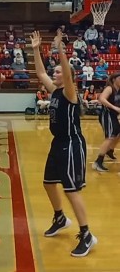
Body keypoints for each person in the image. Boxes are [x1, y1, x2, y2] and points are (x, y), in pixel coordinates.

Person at [31, 30, 97, 257]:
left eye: (58, 71)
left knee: (72, 190)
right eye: (55, 71)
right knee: (49, 183)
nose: (55, 72)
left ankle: (87, 234)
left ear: (66, 75)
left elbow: (67, 74)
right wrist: (35, 50)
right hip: (57, 143)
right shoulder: (55, 91)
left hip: (72, 144)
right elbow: (40, 72)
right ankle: (60, 217)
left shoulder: (70, 92)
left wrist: (60, 48)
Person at [92, 73, 120, 172]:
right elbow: (102, 99)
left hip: (113, 116)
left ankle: (110, 150)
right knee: (110, 137)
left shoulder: (118, 91)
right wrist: (114, 108)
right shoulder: (110, 88)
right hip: (106, 115)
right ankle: (98, 162)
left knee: (118, 133)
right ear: (114, 79)